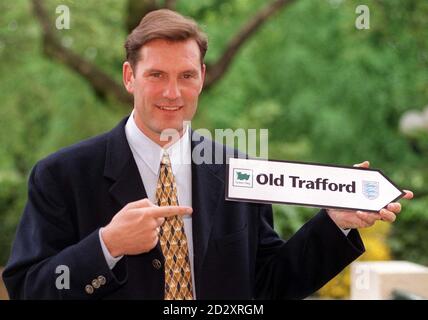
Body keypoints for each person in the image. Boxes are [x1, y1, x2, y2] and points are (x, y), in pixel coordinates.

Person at [2, 9, 413, 300]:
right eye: (156, 75)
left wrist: (334, 224)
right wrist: (107, 245)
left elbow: (270, 285)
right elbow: (28, 288)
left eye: (185, 76)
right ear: (130, 77)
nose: (171, 92)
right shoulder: (61, 175)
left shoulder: (239, 171)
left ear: (202, 77)